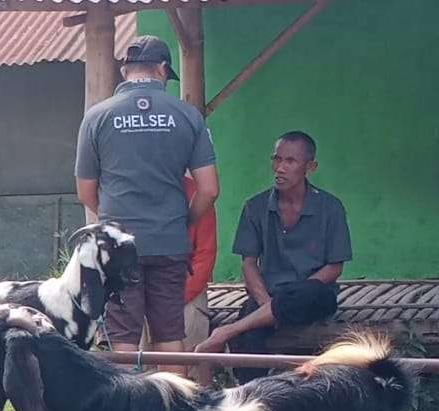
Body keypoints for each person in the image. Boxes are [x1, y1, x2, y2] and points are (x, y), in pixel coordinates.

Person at [76, 35, 220, 374]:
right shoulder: (188, 116)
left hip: (119, 246)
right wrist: (182, 223)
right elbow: (210, 189)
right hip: (170, 243)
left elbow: (85, 192)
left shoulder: (96, 117)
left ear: (126, 70)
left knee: (123, 338)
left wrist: (115, 222)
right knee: (169, 335)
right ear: (162, 69)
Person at [194, 130, 350, 383]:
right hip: (268, 293)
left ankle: (225, 331)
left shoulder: (330, 207)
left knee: (307, 293)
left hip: (313, 294)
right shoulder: (255, 207)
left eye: (290, 161)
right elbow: (249, 264)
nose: (280, 168)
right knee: (246, 336)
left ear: (311, 167)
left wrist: (289, 297)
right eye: (276, 159)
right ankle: (251, 395)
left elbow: (334, 267)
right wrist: (267, 304)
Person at [140, 173, 217, 383]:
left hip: (186, 289)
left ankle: (189, 402)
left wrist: (173, 298)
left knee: (189, 333)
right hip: (141, 288)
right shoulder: (132, 190)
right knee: (138, 367)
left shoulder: (199, 192)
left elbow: (206, 254)